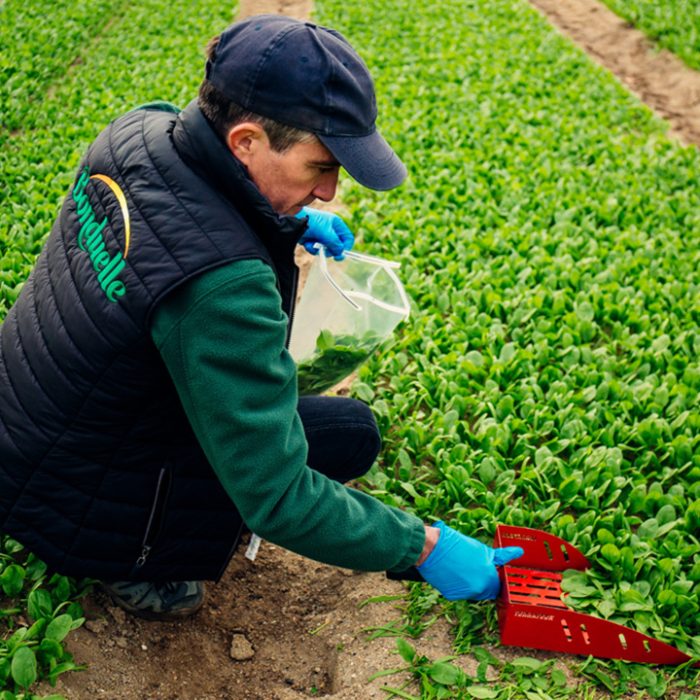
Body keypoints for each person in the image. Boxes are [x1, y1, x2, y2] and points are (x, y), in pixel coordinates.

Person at [0, 15, 522, 620]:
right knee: (238, 510)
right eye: (319, 167)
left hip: (30, 421)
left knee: (351, 434)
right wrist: (423, 547)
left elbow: (177, 215)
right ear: (245, 141)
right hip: (68, 492)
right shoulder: (223, 289)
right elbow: (276, 497)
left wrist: (289, 225)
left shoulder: (135, 130)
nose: (328, 191)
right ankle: (130, 563)